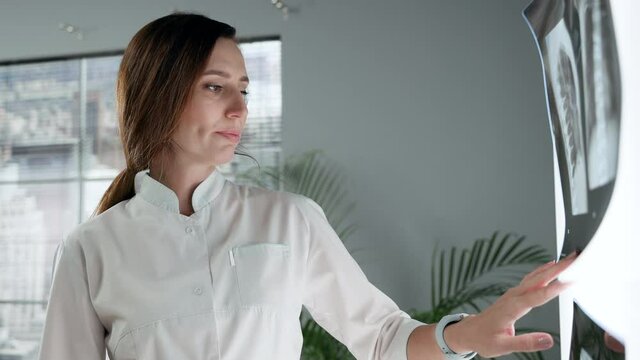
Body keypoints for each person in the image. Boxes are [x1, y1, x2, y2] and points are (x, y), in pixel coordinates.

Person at [37, 13, 577, 360]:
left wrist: (468, 335)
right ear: (160, 93)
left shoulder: (289, 218)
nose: (240, 109)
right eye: (214, 86)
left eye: (244, 89)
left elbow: (383, 334)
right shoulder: (90, 250)